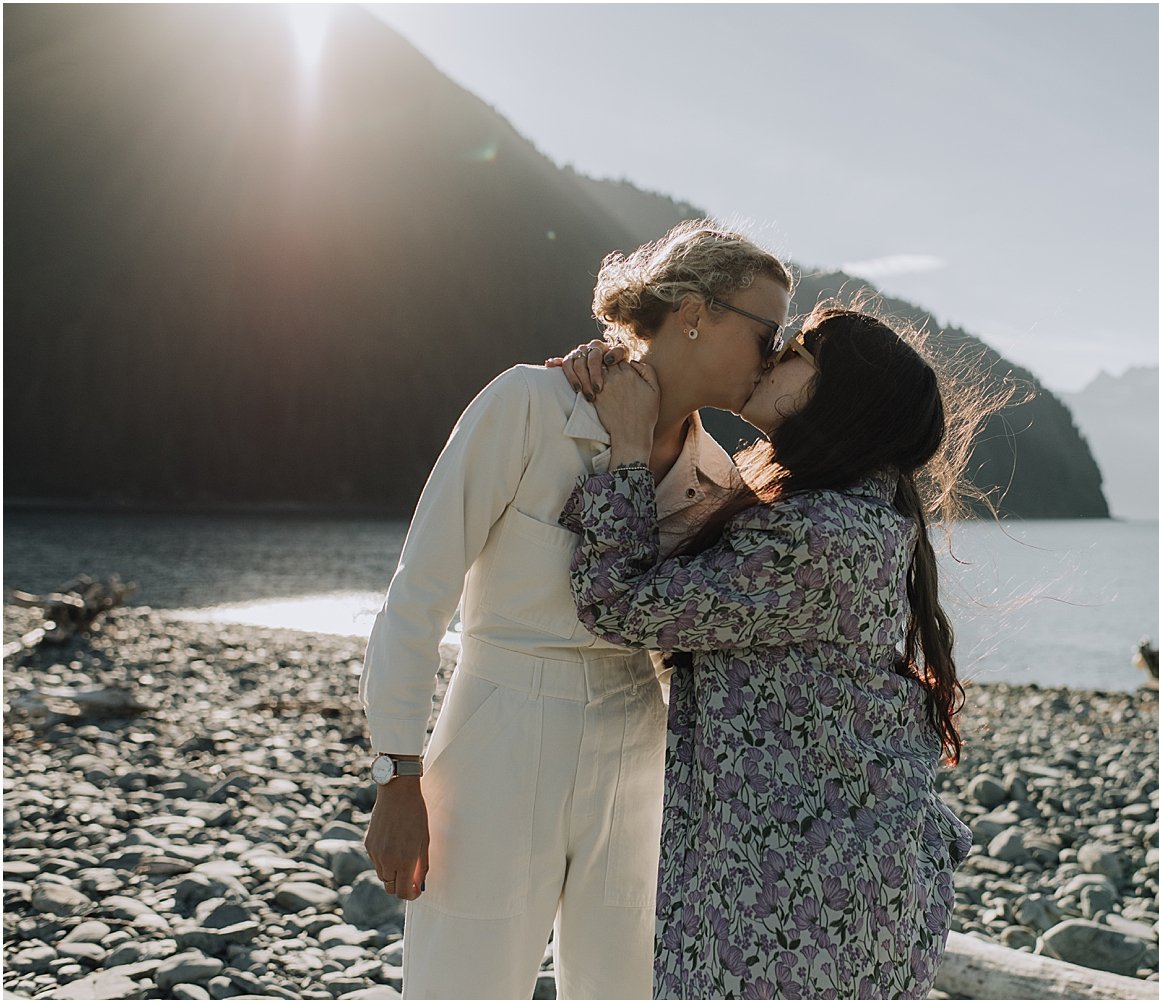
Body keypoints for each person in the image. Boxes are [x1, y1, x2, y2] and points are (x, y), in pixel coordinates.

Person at [359, 219, 793, 999]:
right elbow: (417, 593)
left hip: (638, 745)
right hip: (500, 725)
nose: (774, 357)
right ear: (694, 312)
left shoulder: (718, 478)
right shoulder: (527, 402)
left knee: (627, 988)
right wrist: (396, 771)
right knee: (461, 985)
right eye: (768, 333)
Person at [557, 306, 981, 999]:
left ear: (835, 396)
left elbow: (619, 604)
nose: (773, 355)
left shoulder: (817, 535)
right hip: (827, 884)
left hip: (799, 903)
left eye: (799, 352)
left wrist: (631, 446)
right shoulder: (855, 514)